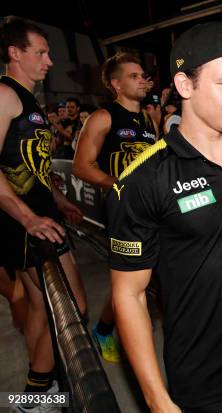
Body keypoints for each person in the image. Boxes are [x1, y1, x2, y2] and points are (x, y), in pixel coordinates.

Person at [107, 22, 222, 412]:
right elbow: (129, 294)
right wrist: (156, 398)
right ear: (184, 85)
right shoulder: (144, 178)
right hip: (204, 383)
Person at [0, 16, 87, 406]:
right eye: (41, 52)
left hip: (37, 216)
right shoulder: (4, 95)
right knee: (72, 307)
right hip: (24, 224)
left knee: (40, 306)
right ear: (14, 53)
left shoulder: (28, 99)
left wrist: (58, 200)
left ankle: (39, 390)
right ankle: (39, 394)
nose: (49, 61)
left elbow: (29, 163)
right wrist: (28, 217)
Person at [73, 52, 156, 363]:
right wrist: (116, 184)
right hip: (123, 215)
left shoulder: (148, 120)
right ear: (115, 83)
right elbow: (81, 167)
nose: (142, 80)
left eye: (142, 74)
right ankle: (105, 330)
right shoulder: (103, 116)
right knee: (130, 281)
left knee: (148, 278)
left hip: (153, 210)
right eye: (134, 76)